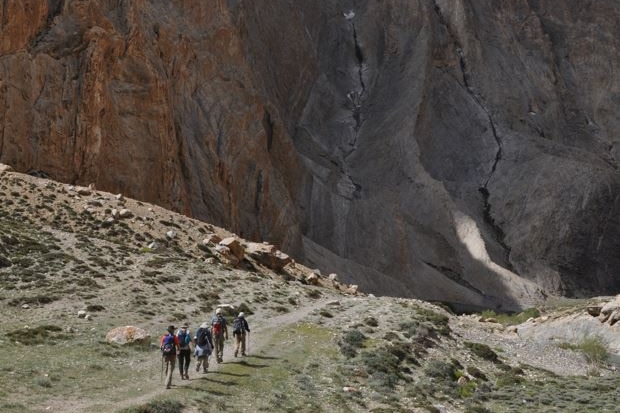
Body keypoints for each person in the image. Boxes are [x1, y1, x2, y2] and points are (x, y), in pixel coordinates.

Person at [160, 325, 180, 389]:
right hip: (173, 354)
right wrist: (179, 350)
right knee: (171, 368)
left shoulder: (164, 337)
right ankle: (167, 383)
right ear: (173, 330)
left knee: (166, 367)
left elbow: (161, 346)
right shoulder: (175, 337)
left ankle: (168, 381)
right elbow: (178, 345)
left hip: (165, 353)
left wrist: (162, 352)